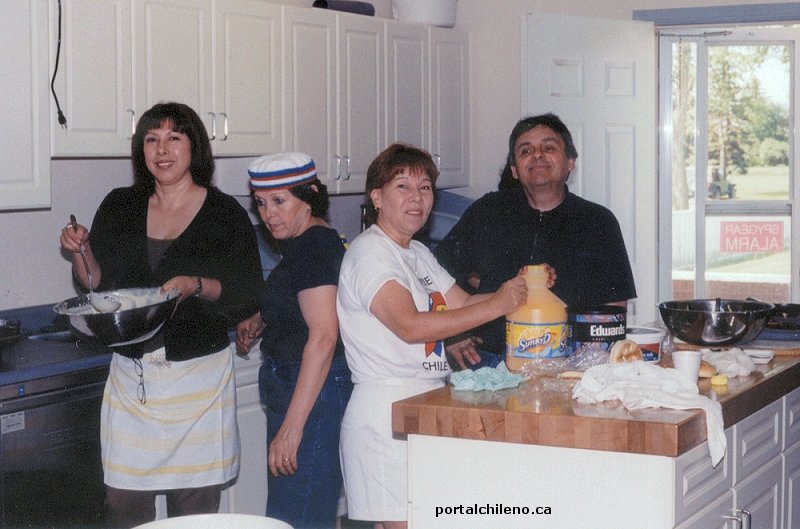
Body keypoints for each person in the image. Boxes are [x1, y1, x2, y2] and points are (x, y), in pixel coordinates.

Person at [59, 102, 263, 528]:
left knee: (193, 508)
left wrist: (197, 284)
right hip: (133, 379)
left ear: (195, 148)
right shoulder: (120, 206)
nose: (162, 149)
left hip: (198, 380)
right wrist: (82, 252)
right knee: (123, 502)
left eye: (174, 137)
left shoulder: (225, 215)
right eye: (151, 139)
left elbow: (245, 289)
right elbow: (97, 284)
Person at [337, 143, 529, 529]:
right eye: (402, 186)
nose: (416, 198)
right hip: (384, 412)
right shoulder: (370, 254)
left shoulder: (417, 253)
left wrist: (520, 287)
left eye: (425, 188)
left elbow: (463, 303)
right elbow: (409, 326)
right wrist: (499, 305)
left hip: (423, 403)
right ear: (377, 196)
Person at [434, 112, 637, 370]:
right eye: (526, 150)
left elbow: (613, 309)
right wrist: (451, 334)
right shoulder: (488, 211)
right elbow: (434, 275)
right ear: (514, 170)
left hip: (570, 366)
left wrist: (590, 367)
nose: (537, 155)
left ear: (570, 162)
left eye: (549, 147)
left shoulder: (598, 222)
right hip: (489, 364)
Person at [236, 152, 352, 529]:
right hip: (302, 388)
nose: (269, 214)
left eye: (280, 201)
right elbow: (306, 305)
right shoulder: (307, 242)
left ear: (310, 195)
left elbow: (323, 336)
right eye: (261, 203)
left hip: (311, 396)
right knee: (298, 512)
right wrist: (262, 317)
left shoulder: (313, 248)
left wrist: (292, 428)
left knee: (298, 518)